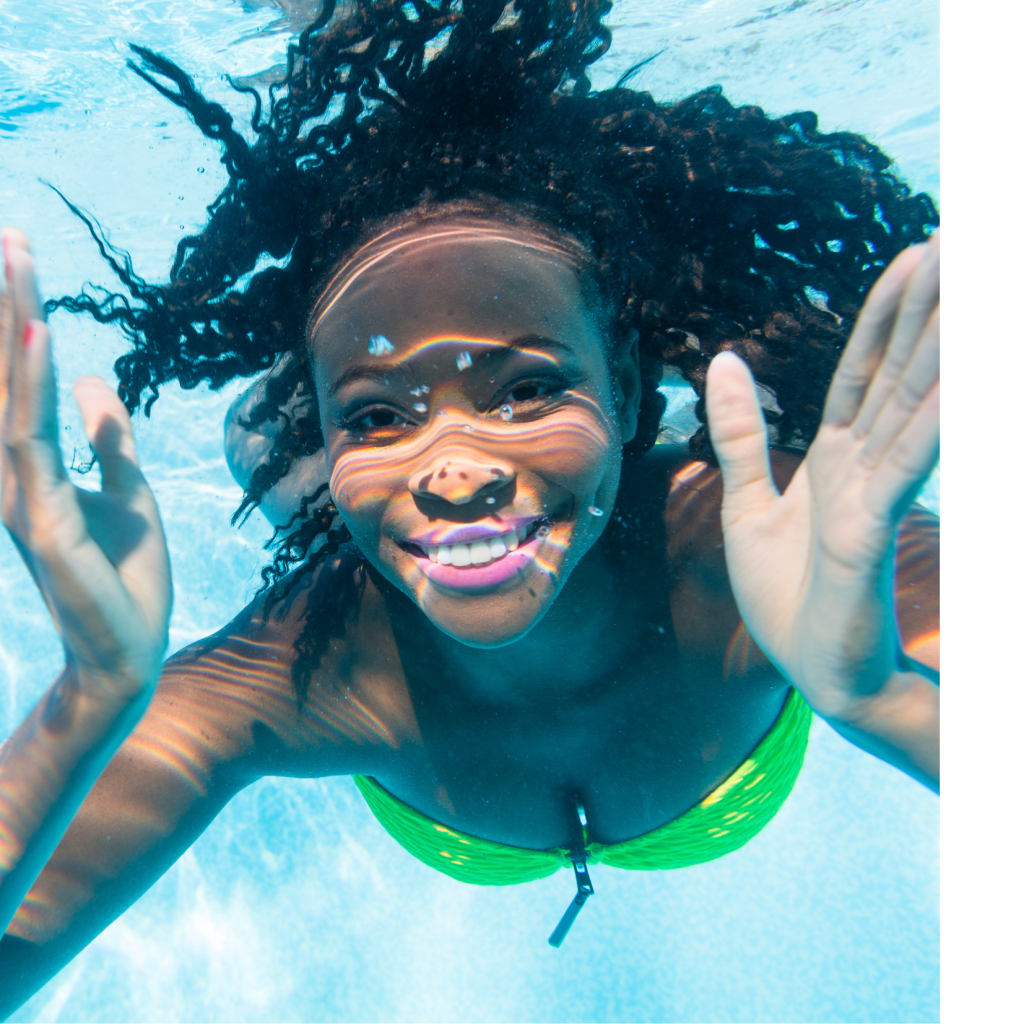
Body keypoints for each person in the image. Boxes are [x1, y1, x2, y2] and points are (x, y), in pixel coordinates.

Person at [0, 0, 938, 1012]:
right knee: (296, 476)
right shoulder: (310, 659)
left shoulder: (784, 545)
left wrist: (879, 693)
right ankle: (304, 443)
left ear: (626, 385)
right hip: (371, 559)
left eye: (527, 389)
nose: (456, 471)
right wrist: (91, 697)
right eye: (373, 416)